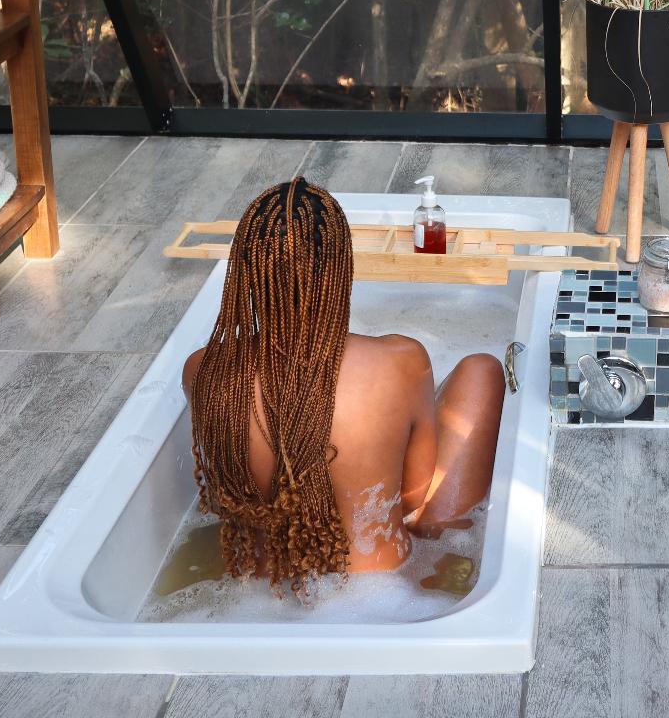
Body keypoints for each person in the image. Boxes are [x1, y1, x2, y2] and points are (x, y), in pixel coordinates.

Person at [183, 178, 506, 594]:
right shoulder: (401, 360)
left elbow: (222, 495)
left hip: (261, 588)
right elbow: (411, 497)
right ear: (340, 270)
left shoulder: (203, 370)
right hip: (382, 586)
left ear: (245, 273)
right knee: (482, 371)